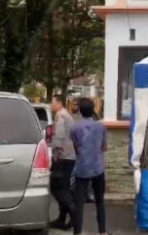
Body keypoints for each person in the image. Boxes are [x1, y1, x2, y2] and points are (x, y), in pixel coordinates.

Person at [70, 98, 107, 235]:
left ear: (80, 111)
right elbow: (104, 147)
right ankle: (102, 231)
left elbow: (75, 147)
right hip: (98, 168)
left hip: (82, 168)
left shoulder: (75, 128)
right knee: (100, 201)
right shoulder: (101, 127)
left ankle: (77, 232)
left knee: (79, 203)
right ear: (93, 110)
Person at [49, 94, 76, 230]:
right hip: (69, 156)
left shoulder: (60, 115)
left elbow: (58, 138)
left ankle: (74, 214)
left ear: (59, 103)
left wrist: (54, 154)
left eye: (53, 102)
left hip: (62, 157)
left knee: (57, 188)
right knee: (63, 188)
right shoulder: (67, 115)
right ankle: (62, 218)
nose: (51, 105)